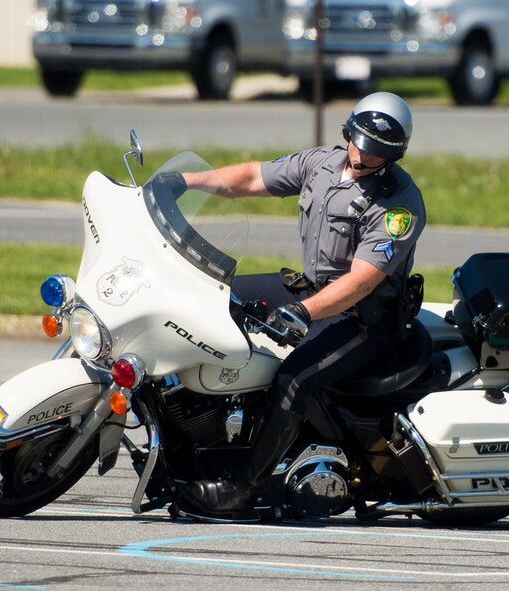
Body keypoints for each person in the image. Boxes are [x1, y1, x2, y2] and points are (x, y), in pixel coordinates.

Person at [176, 92, 426, 521]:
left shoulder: (398, 204)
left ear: (395, 153)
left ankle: (244, 487)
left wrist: (304, 313)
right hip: (308, 289)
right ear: (349, 131)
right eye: (361, 140)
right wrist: (183, 182)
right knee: (212, 294)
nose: (364, 153)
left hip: (362, 318)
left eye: (378, 149)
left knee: (293, 379)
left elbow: (361, 281)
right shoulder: (323, 163)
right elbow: (253, 178)